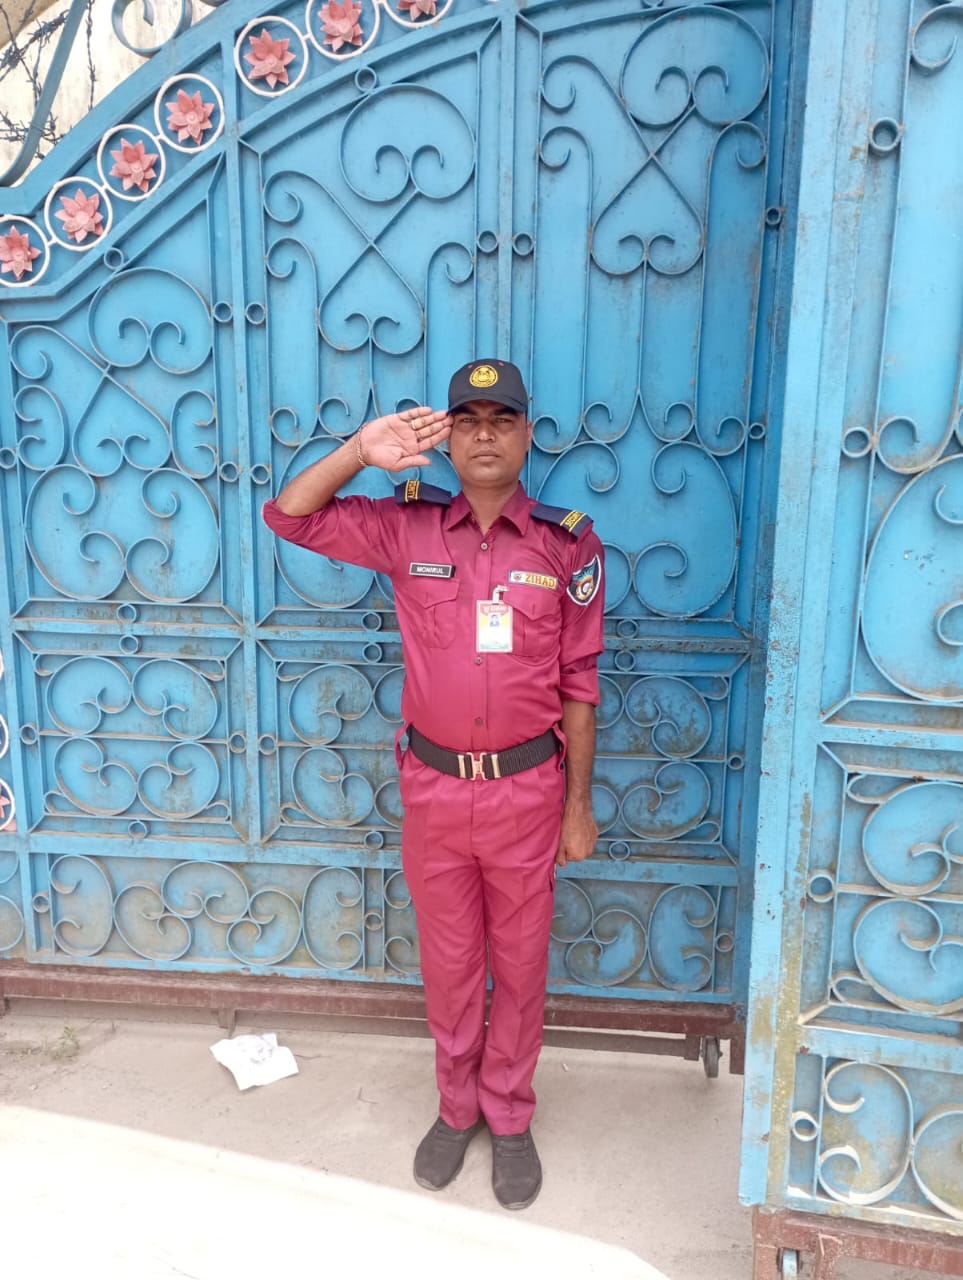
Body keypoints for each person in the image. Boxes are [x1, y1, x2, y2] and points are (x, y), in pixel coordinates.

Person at [262, 359, 604, 1210]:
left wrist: (577, 807)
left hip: (527, 792)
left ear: (526, 436)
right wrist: (357, 452)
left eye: (502, 419)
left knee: (519, 965)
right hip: (436, 791)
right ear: (446, 438)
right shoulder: (403, 529)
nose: (485, 434)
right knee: (451, 964)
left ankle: (509, 1115)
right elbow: (289, 515)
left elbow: (579, 684)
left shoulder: (567, 544)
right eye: (468, 420)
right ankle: (457, 1110)